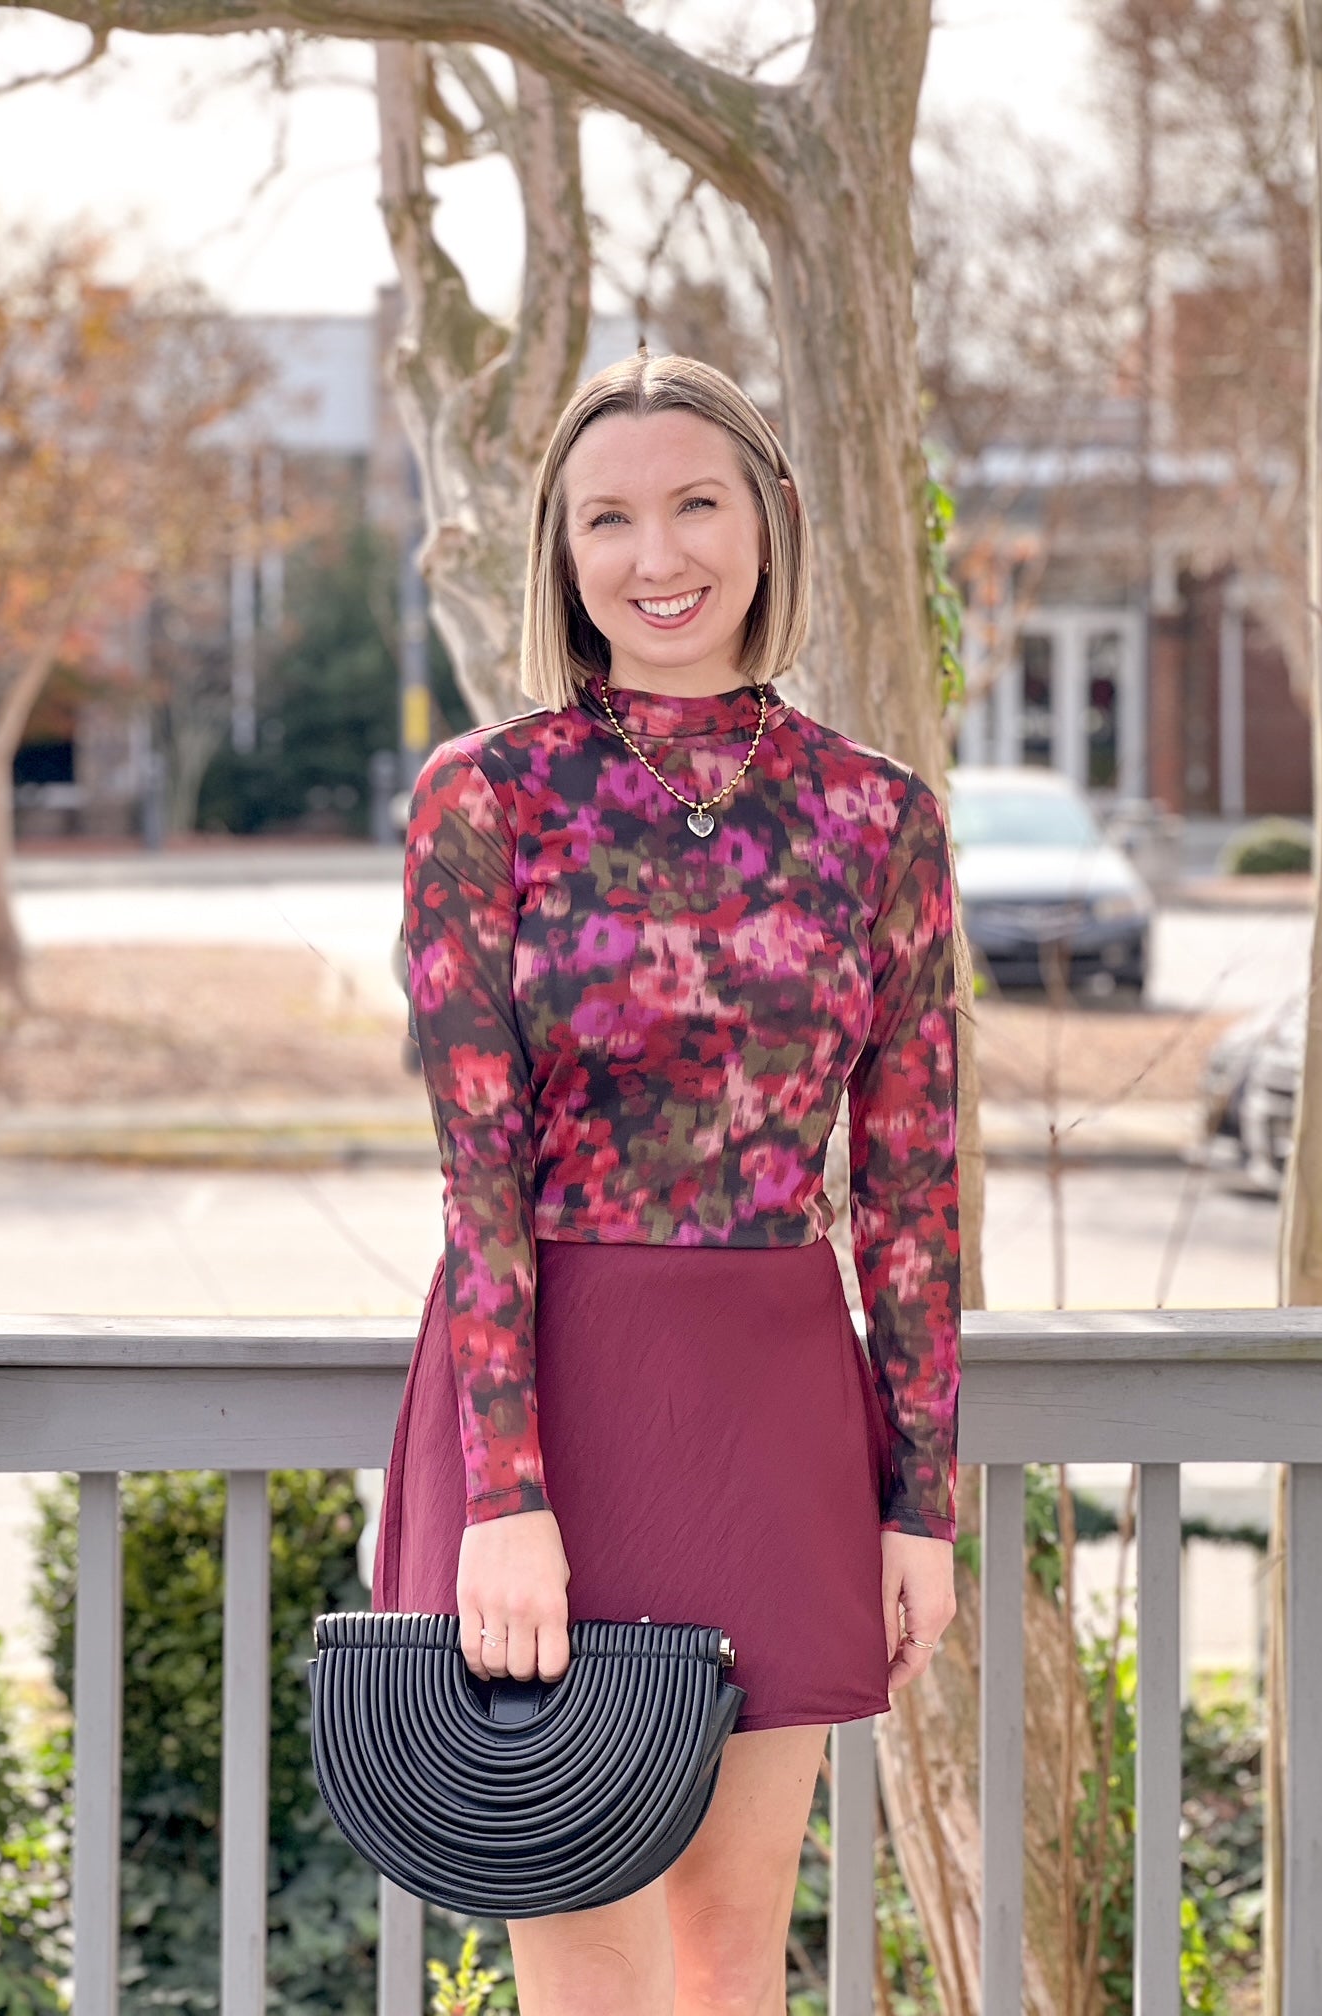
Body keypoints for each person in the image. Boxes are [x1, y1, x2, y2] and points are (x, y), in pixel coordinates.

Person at [371, 349, 960, 2016]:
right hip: (554, 1406)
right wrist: (506, 1501)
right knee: (588, 1959)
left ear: (768, 522)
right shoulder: (483, 799)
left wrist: (922, 1495)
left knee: (727, 1961)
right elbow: (474, 1174)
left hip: (774, 1407)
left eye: (696, 502)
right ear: (562, 555)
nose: (658, 555)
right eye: (608, 517)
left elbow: (916, 1187)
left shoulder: (876, 819)